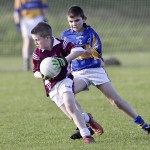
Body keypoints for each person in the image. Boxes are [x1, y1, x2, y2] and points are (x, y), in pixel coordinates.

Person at [61, 5, 150, 139]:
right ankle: (84, 123)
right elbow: (62, 52)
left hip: (95, 71)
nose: (74, 24)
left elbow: (98, 53)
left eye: (77, 20)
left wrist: (83, 50)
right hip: (78, 73)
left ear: (84, 19)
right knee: (66, 96)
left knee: (116, 102)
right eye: (71, 21)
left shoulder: (91, 33)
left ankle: (144, 125)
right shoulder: (65, 35)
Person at [31, 22, 104, 143]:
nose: (35, 43)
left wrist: (63, 61)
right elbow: (35, 72)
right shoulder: (37, 53)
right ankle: (88, 118)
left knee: (70, 105)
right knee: (72, 115)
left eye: (37, 40)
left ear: (48, 37)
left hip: (65, 80)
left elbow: (79, 50)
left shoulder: (61, 44)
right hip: (51, 87)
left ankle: (87, 136)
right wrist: (42, 75)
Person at [13, 0, 48, 71]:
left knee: (39, 41)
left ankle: (40, 61)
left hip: (38, 18)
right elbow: (17, 11)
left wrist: (44, 18)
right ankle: (27, 63)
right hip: (26, 20)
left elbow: (44, 7)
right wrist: (17, 23)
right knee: (27, 41)